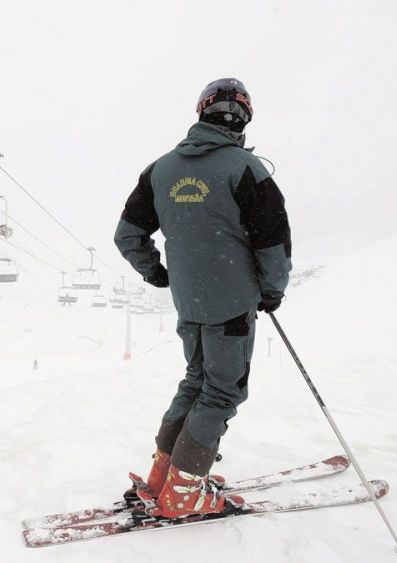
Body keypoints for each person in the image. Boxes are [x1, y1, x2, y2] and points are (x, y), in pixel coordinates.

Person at [114, 78, 291, 519]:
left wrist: (160, 275)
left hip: (189, 302)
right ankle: (185, 492)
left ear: (201, 113)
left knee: (197, 380)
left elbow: (128, 235)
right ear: (244, 118)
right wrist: (271, 292)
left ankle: (165, 475)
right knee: (220, 392)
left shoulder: (161, 170)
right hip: (230, 305)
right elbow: (273, 245)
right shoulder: (247, 171)